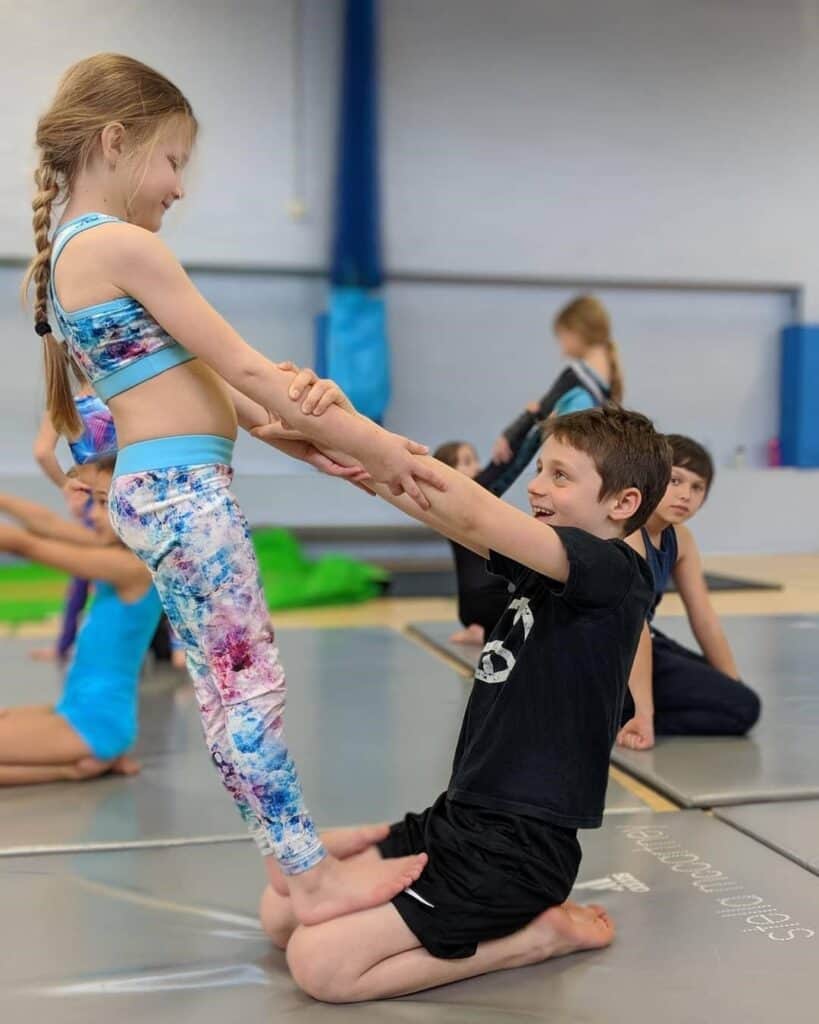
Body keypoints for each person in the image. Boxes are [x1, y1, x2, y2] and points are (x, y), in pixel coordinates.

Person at [24, 52, 445, 923]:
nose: (179, 185)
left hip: (163, 486)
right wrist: (385, 453)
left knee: (227, 690)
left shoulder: (72, 250)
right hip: (180, 492)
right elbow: (244, 366)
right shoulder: (121, 244)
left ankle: (292, 855)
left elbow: (192, 386)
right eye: (173, 159)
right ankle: (308, 875)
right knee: (246, 689)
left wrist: (292, 439)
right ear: (115, 141)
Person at [253, 406, 671, 1002]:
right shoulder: (553, 570)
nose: (534, 485)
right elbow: (443, 512)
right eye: (539, 469)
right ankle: (376, 840)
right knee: (280, 914)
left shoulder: (611, 571)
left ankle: (534, 936)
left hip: (516, 852)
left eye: (559, 475)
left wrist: (351, 430)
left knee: (320, 965)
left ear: (622, 503)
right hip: (460, 821)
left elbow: (474, 507)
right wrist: (343, 458)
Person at [0, 457, 161, 785]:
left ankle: (81, 763)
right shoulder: (117, 548)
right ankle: (87, 762)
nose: (91, 514)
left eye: (102, 504)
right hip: (75, 708)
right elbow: (45, 523)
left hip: (94, 723)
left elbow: (26, 544)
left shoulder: (134, 568)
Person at [617, 435, 761, 749]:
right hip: (611, 648)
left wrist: (731, 682)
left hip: (645, 642)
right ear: (649, 479)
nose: (685, 495)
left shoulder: (680, 539)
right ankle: (618, 717)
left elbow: (704, 618)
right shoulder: (629, 534)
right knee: (744, 710)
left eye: (697, 488)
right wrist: (644, 713)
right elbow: (633, 628)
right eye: (675, 481)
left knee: (728, 691)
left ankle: (616, 708)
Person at [487, 295, 623, 495]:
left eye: (561, 336)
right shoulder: (606, 387)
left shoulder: (575, 377)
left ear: (575, 332)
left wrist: (510, 435)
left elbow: (537, 417)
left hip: (529, 478)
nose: (561, 345)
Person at [30, 387, 117, 662]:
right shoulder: (123, 387)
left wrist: (67, 484)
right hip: (132, 492)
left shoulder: (68, 401)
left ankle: (64, 646)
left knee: (84, 575)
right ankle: (176, 648)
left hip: (95, 497)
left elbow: (43, 453)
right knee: (150, 572)